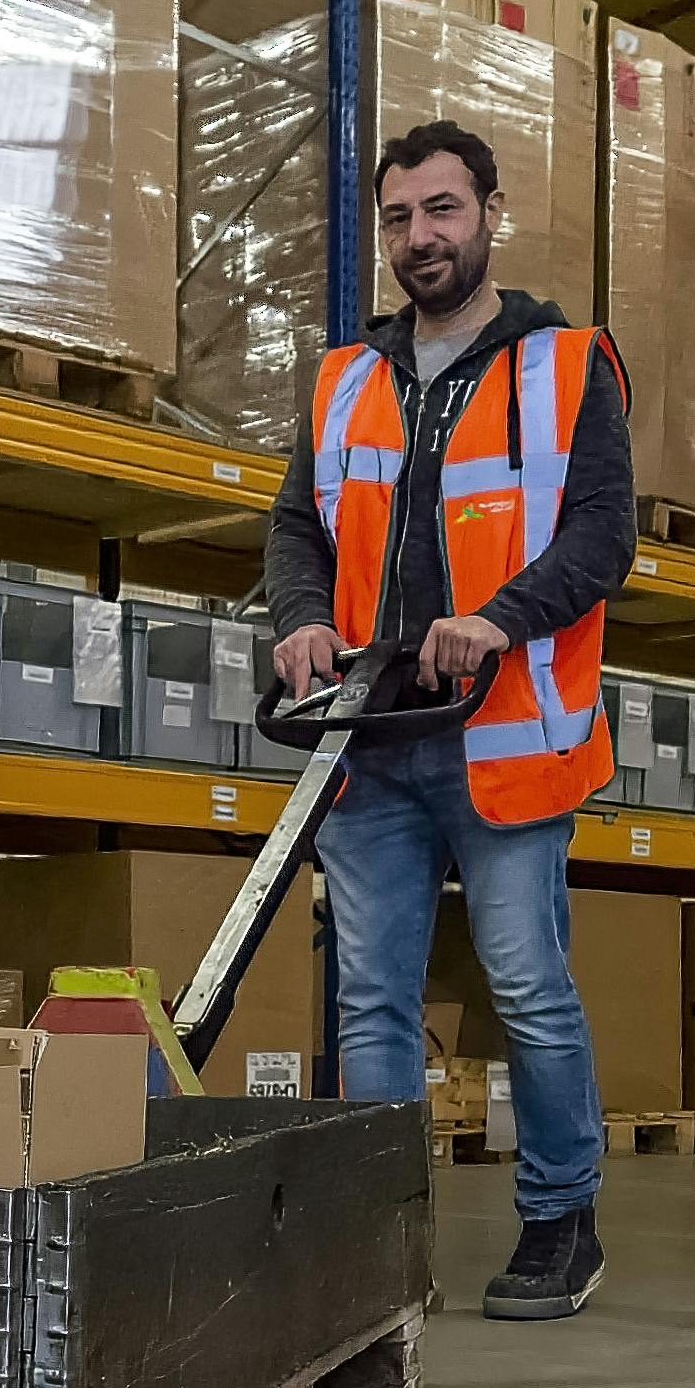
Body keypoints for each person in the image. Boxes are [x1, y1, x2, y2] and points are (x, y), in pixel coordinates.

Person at [266, 121, 634, 1319]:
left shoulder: (565, 364)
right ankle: (381, 1242)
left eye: (441, 211)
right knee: (367, 1000)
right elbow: (297, 530)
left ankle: (558, 1223)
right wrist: (302, 618)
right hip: (370, 741)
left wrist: (499, 616)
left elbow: (600, 536)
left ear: (489, 214)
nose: (418, 238)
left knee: (527, 987)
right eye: (397, 219)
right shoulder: (342, 379)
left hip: (503, 737)